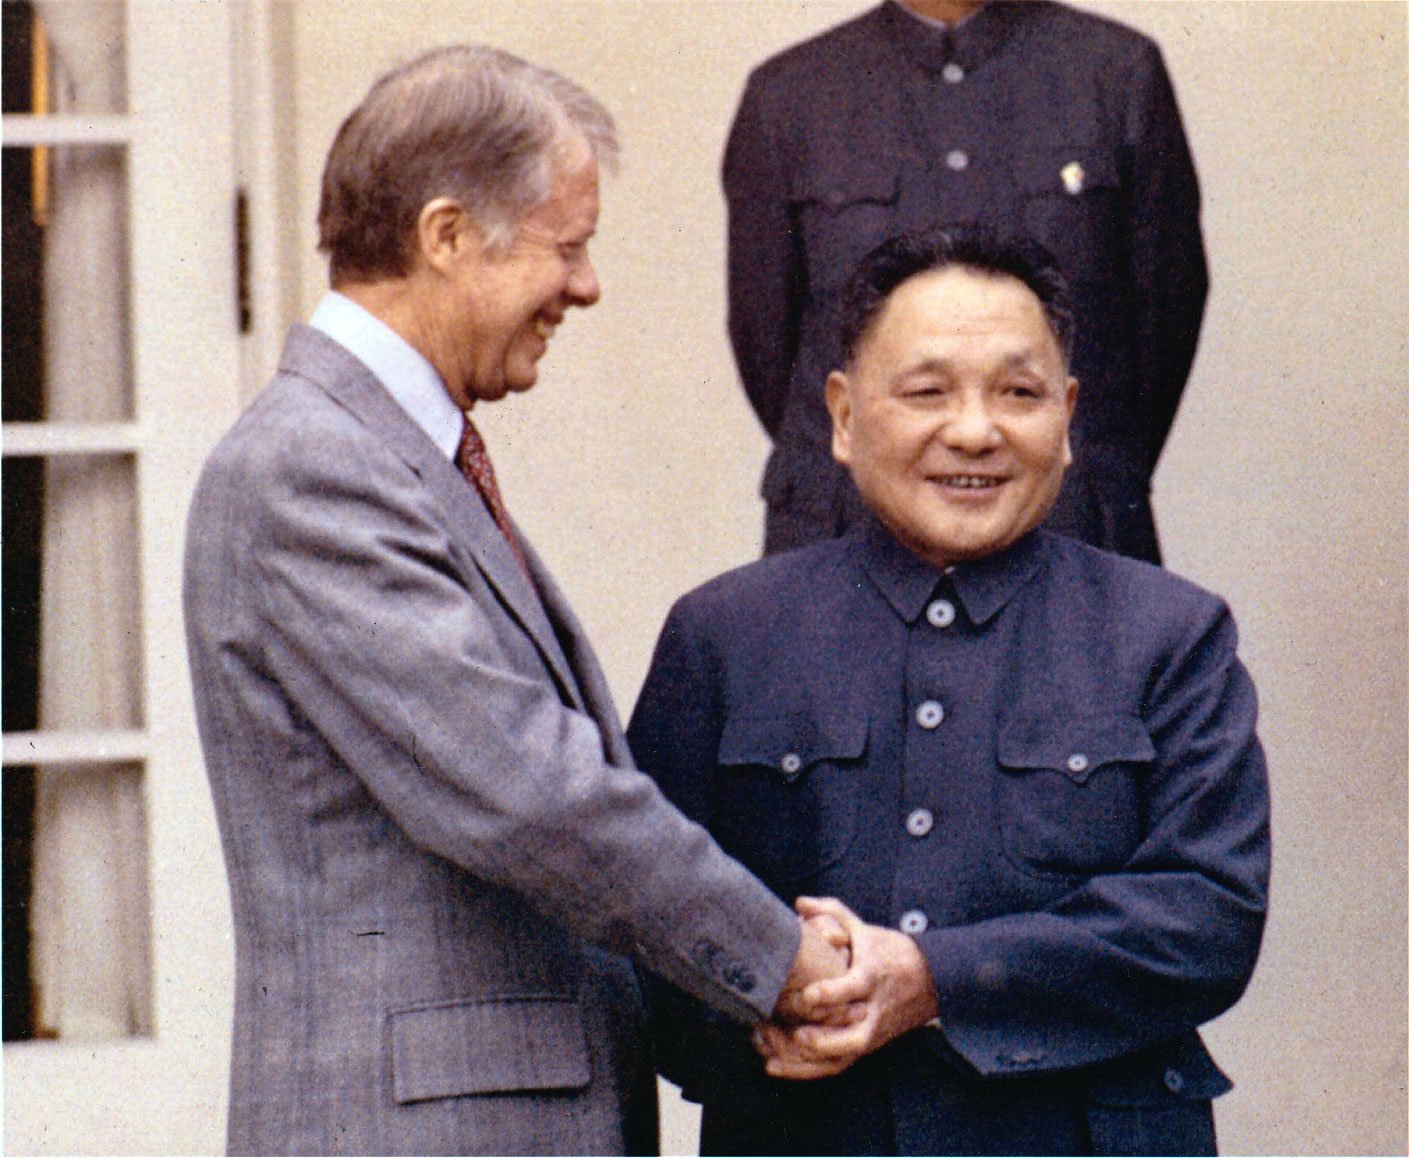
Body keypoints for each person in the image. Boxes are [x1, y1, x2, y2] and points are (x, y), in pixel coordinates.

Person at [182, 46, 847, 1156]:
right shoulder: (310, 469)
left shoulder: (395, 456)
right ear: (446, 237)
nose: (584, 287)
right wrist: (783, 964)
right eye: (568, 247)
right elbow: (530, 795)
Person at [628, 226, 1269, 1156]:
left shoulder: (1170, 634)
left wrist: (933, 979)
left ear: (1068, 416)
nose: (974, 430)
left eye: (1019, 392)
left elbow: (1208, 915)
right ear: (843, 419)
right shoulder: (724, 635)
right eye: (926, 392)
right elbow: (640, 918)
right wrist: (767, 1016)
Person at [724, 0, 1208, 563]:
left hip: (1071, 525)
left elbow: (1165, 317)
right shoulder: (791, 92)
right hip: (847, 532)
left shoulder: (1116, 71)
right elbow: (765, 338)